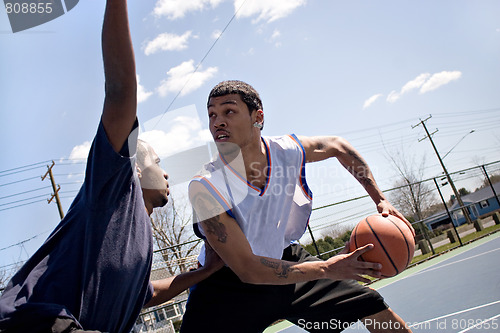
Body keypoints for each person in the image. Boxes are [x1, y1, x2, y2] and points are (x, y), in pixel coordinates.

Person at [0, 1, 222, 332]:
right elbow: (120, 92)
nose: (165, 172)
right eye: (157, 162)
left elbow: (147, 293)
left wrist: (205, 271)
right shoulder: (116, 190)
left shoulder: (141, 235)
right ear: (132, 169)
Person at [182, 80, 416, 333]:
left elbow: (338, 146)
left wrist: (379, 198)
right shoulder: (206, 186)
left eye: (229, 111)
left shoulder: (286, 150)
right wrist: (327, 268)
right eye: (212, 115)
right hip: (228, 285)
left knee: (373, 308)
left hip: (285, 262)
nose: (218, 122)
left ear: (257, 117)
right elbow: (248, 268)